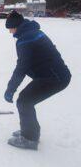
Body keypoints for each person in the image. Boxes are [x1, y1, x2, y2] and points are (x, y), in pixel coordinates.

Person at [4, 11, 71, 150]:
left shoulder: (26, 39)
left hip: (55, 78)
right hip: (53, 75)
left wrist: (10, 89)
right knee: (26, 100)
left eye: (10, 28)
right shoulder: (31, 32)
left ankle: (29, 138)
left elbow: (22, 66)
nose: (10, 32)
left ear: (15, 26)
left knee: (24, 101)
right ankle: (29, 132)